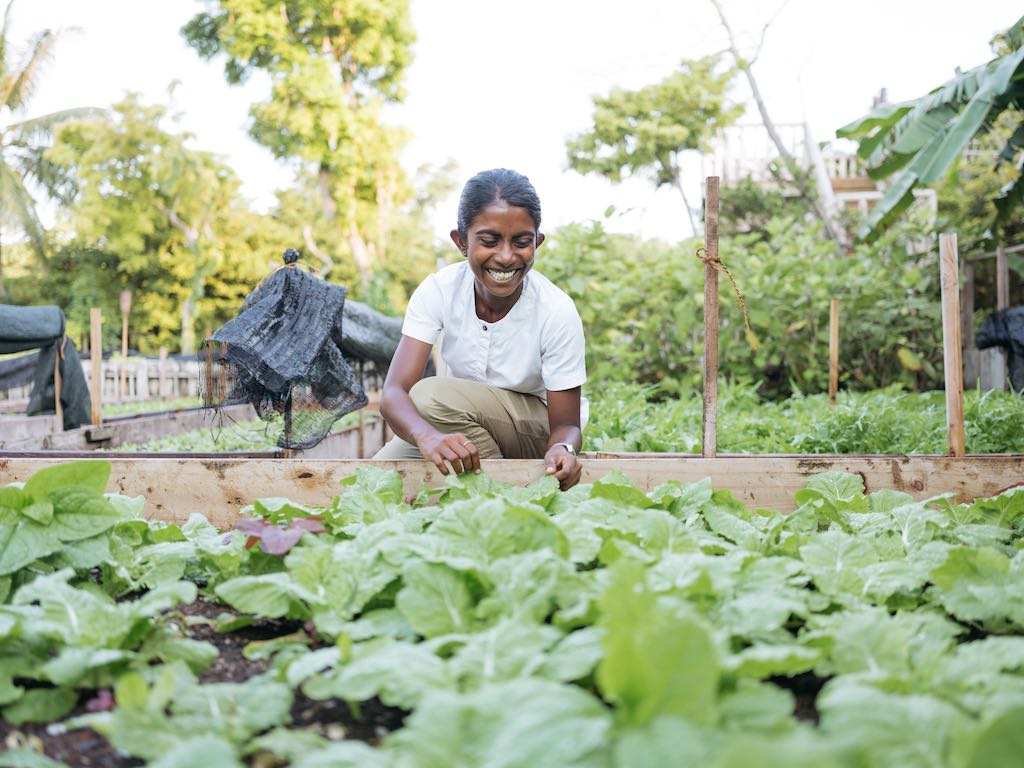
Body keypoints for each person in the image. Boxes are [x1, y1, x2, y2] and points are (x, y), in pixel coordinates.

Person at [374, 168, 586, 490]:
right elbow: (392, 393)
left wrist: (564, 448)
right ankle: (494, 488)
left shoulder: (556, 310)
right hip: (455, 421)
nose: (505, 256)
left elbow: (567, 425)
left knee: (430, 397)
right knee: (375, 479)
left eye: (521, 242)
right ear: (461, 242)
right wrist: (427, 437)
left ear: (537, 243)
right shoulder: (439, 290)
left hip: (532, 432)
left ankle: (496, 498)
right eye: (489, 241)